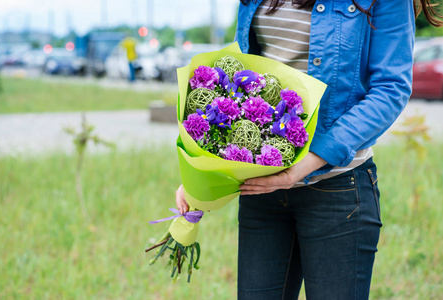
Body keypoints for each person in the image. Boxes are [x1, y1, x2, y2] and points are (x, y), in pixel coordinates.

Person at [176, 0, 442, 299]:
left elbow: (390, 88)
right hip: (263, 191)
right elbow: (243, 74)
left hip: (337, 191)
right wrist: (200, 166)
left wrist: (303, 166)